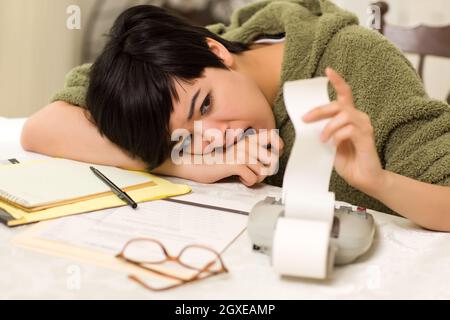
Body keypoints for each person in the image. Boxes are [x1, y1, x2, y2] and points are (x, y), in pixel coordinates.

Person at [21, 1, 450, 231]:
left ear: (217, 52)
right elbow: (41, 129)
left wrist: (379, 182)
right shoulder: (161, 74)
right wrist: (184, 162)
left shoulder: (355, 63)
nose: (213, 138)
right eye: (186, 135)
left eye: (205, 105)